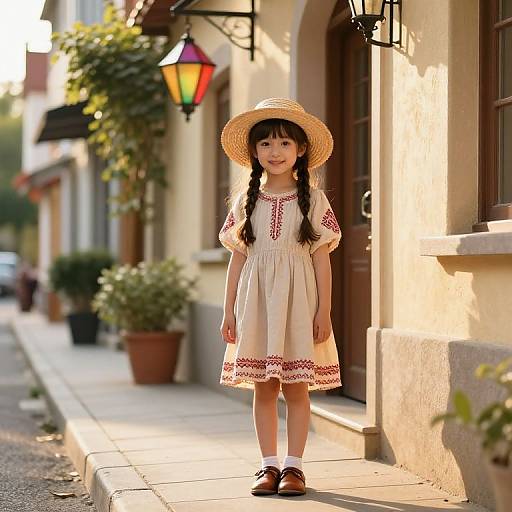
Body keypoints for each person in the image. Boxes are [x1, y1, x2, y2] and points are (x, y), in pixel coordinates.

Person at [218, 98, 342, 497]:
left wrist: (325, 310)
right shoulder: (245, 202)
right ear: (254, 151)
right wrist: (228, 312)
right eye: (266, 144)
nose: (275, 152)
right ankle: (267, 465)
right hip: (256, 305)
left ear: (301, 150)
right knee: (264, 387)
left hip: (299, 304)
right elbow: (237, 262)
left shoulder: (314, 200)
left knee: (296, 388)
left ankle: (295, 467)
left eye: (285, 144)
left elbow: (322, 262)